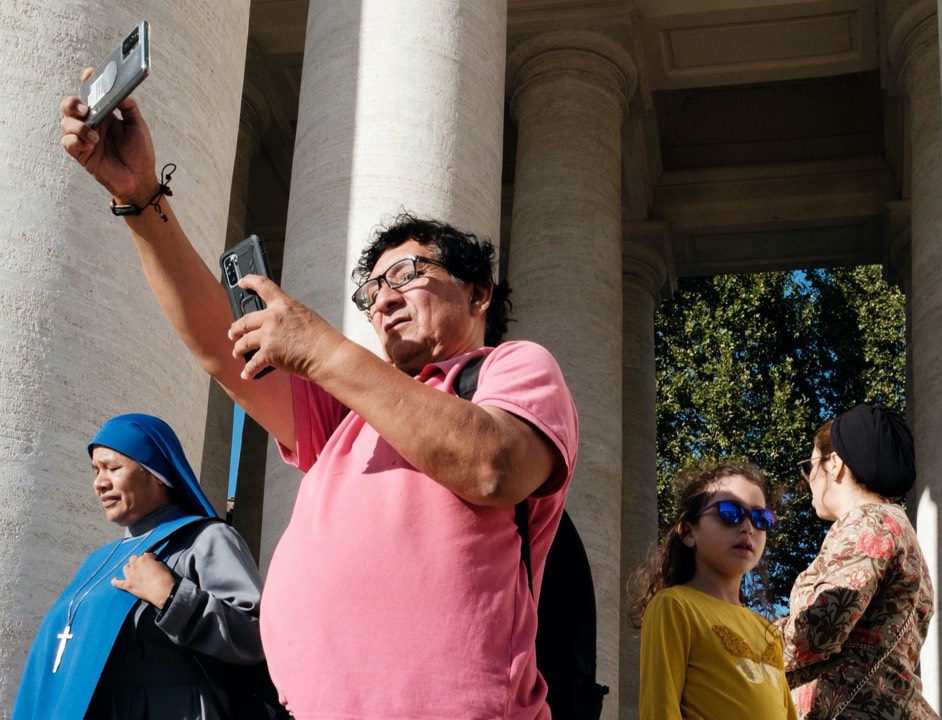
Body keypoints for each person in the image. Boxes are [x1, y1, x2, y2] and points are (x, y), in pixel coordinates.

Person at [58, 80, 578, 718]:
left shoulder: (514, 366)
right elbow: (218, 347)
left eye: (407, 275)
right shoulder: (350, 414)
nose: (383, 299)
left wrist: (322, 350)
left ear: (478, 293)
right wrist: (138, 199)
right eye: (371, 290)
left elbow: (492, 466)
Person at [11, 413, 265, 719]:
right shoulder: (97, 562)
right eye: (95, 471)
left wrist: (172, 598)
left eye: (113, 468)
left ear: (157, 473)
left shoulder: (204, 539)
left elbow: (260, 637)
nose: (99, 483)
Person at [778, 403, 938, 720]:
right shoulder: (897, 526)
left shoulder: (869, 522)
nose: (808, 478)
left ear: (835, 463)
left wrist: (742, 641)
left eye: (809, 466)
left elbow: (819, 626)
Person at [629, 461, 797, 720]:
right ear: (687, 532)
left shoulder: (769, 631)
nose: (747, 527)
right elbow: (659, 710)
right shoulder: (675, 606)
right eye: (730, 512)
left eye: (760, 517)